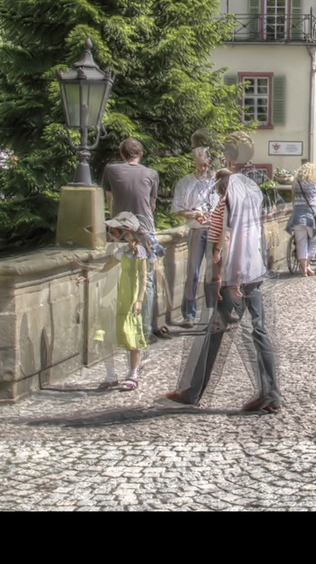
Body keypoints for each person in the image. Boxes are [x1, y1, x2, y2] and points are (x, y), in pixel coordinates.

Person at [167, 168, 282, 412]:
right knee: (257, 331)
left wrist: (221, 277)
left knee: (214, 332)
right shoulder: (249, 207)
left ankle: (193, 391)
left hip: (233, 278)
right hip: (253, 273)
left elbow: (224, 241)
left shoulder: (223, 206)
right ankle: (270, 392)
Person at [71, 211, 153, 391]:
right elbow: (105, 268)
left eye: (115, 231)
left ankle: (133, 374)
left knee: (131, 336)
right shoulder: (121, 251)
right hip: (118, 297)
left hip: (130, 298)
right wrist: (85, 272)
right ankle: (111, 375)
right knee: (107, 335)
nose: (112, 234)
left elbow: (143, 277)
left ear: (126, 232)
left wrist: (139, 300)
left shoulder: (138, 251)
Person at [102, 139, 167, 340]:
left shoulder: (110, 170)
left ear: (122, 155)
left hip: (120, 232)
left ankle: (118, 328)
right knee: (146, 281)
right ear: (141, 154)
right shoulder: (151, 174)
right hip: (145, 231)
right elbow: (152, 204)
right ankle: (145, 331)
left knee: (119, 280)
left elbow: (109, 199)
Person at [171, 146, 218, 324]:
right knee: (193, 273)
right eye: (199, 165)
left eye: (205, 165)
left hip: (215, 231)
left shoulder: (217, 183)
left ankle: (213, 313)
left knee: (214, 273)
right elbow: (177, 209)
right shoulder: (185, 183)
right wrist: (194, 214)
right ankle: (189, 314)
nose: (203, 169)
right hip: (197, 230)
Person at [286, 162, 316, 277]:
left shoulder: (295, 182)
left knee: (301, 243)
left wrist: (296, 209)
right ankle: (307, 264)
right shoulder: (314, 182)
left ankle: (304, 270)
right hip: (310, 216)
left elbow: (293, 199)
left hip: (298, 216)